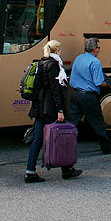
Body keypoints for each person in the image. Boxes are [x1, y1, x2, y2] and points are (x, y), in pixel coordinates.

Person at [25, 40, 82, 182]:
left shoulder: (41, 63)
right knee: (61, 136)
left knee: (38, 140)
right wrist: (60, 110)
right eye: (60, 50)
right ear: (56, 51)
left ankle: (30, 171)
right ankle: (66, 169)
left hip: (39, 107)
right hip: (49, 108)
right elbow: (55, 90)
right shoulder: (53, 66)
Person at [67, 37, 111, 154]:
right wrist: (110, 85)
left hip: (76, 94)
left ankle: (64, 143)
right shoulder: (95, 62)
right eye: (99, 47)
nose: (99, 50)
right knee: (98, 122)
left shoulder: (78, 58)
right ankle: (106, 146)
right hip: (88, 96)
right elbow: (98, 82)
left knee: (72, 122)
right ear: (94, 49)